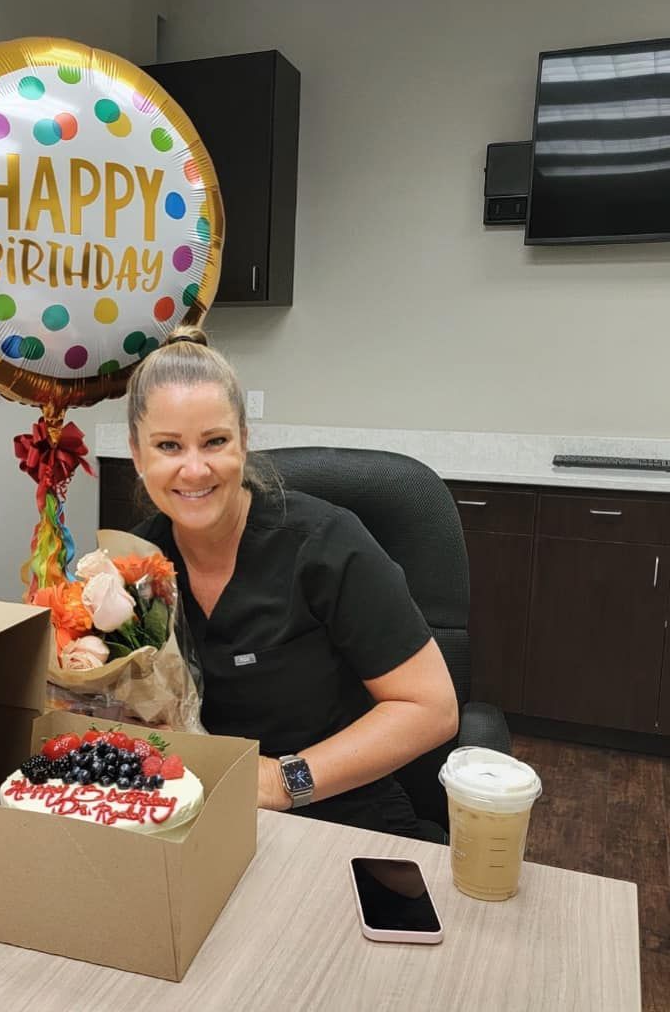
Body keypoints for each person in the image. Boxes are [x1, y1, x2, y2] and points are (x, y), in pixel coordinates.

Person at [126, 325, 459, 841]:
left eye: (215, 441)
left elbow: (431, 710)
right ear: (136, 454)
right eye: (168, 446)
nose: (194, 469)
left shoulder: (326, 545)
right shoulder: (133, 568)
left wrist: (284, 782)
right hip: (199, 817)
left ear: (244, 441)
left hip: (341, 810)